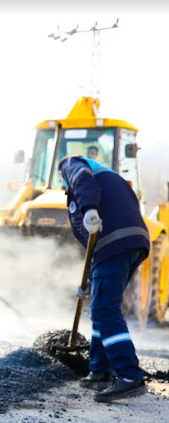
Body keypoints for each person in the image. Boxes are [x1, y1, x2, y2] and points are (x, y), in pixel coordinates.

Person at [60, 155, 149, 402]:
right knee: (102, 305)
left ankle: (130, 375)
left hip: (116, 242)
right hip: (131, 242)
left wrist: (88, 208)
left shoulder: (72, 164)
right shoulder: (112, 181)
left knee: (104, 309)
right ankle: (99, 370)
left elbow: (81, 180)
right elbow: (93, 242)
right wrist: (89, 280)